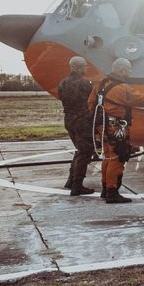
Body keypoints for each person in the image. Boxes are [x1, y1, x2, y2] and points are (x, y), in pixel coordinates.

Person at [88, 58, 144, 204]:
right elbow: (140, 99)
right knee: (117, 157)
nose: (130, 72)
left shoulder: (100, 84)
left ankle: (105, 189)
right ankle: (112, 192)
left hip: (101, 126)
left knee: (107, 156)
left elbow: (90, 103)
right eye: (129, 69)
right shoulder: (122, 88)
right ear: (122, 70)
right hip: (116, 127)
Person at [57, 55, 95, 196]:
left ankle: (71, 181)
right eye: (85, 66)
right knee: (85, 152)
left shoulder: (63, 83)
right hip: (82, 121)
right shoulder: (84, 83)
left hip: (69, 120)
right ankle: (77, 186)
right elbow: (93, 100)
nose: (86, 68)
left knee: (79, 150)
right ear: (78, 67)